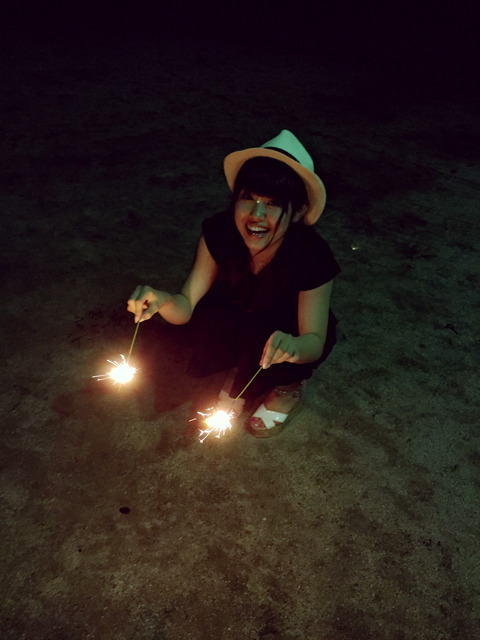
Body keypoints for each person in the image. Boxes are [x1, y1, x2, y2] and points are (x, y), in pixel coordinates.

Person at [127, 130, 340, 437]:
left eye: (273, 203)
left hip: (285, 330)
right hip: (239, 314)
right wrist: (163, 301)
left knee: (273, 340)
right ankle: (240, 373)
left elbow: (314, 341)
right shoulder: (219, 232)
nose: (256, 215)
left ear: (299, 211)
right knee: (209, 320)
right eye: (248, 198)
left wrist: (293, 347)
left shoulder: (312, 256)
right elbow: (186, 306)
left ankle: (287, 388)